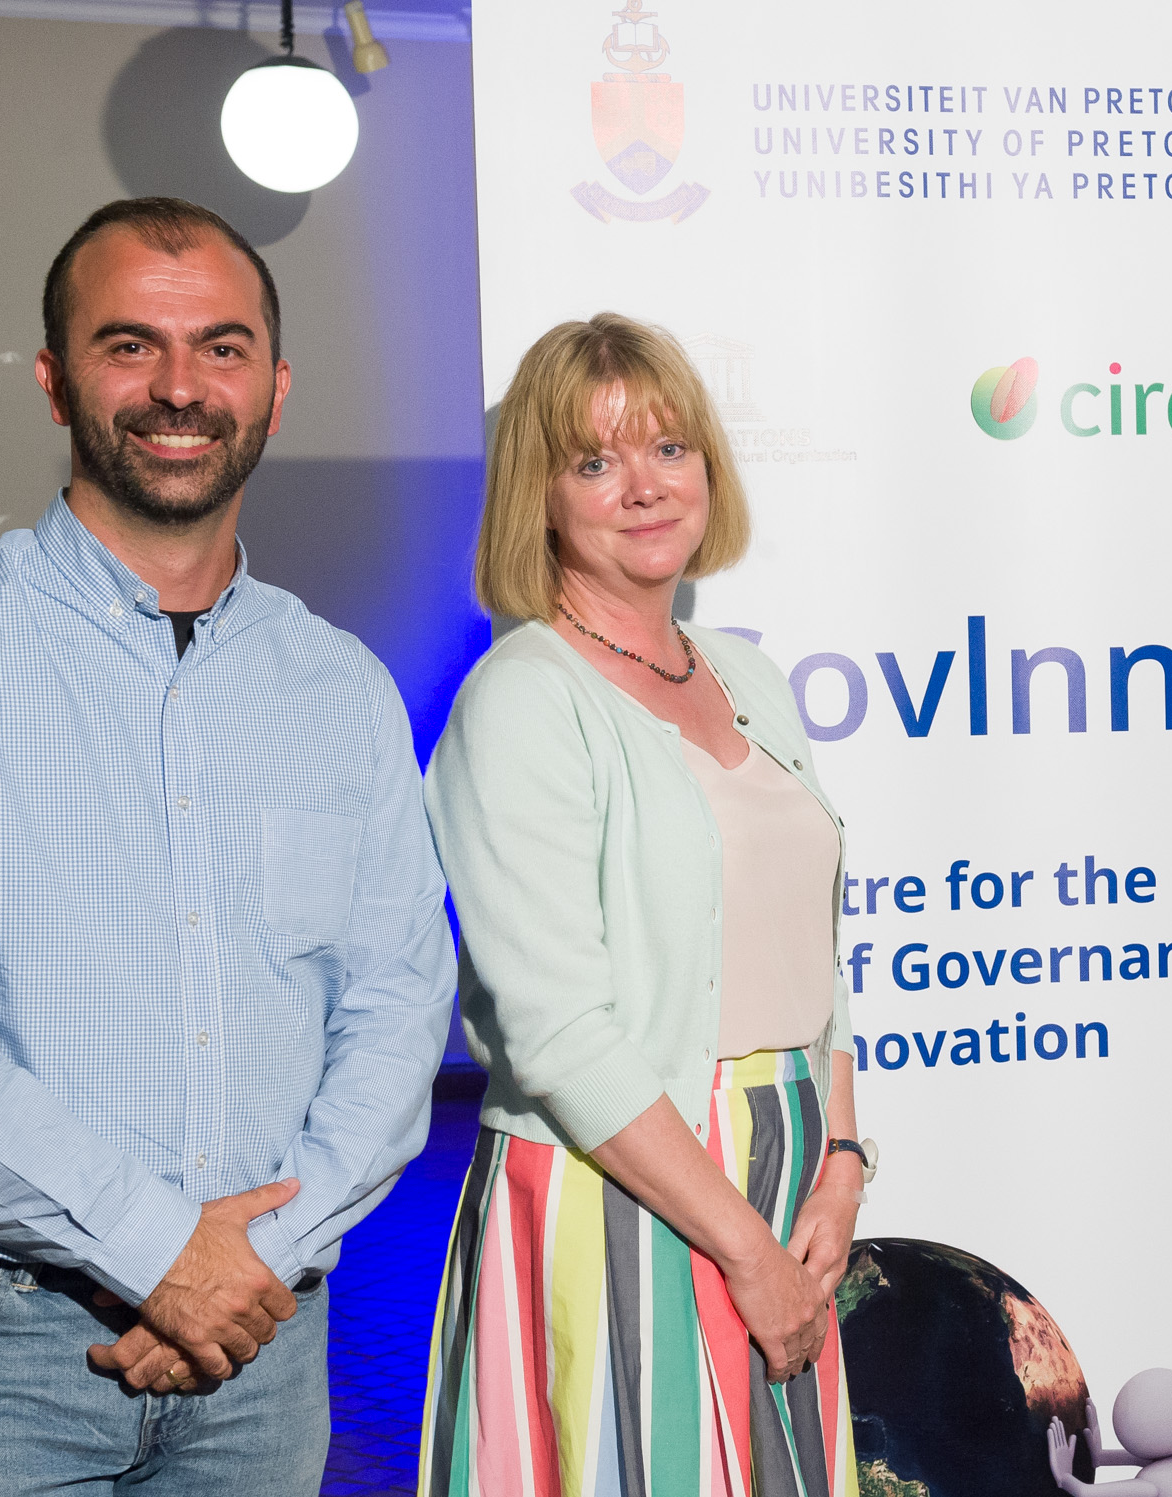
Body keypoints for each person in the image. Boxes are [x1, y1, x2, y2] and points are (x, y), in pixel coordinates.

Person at [0, 197, 455, 1495]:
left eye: (222, 347)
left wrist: (248, 1262)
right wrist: (156, 1247)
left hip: (266, 1340)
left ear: (274, 387)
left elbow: (397, 1002)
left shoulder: (341, 684)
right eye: (131, 344)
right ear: (54, 379)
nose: (180, 386)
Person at [419, 313, 865, 1497]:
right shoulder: (523, 700)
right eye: (594, 460)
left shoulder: (748, 675)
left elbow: (814, 956)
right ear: (541, 497)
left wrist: (842, 1157)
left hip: (786, 1172)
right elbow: (559, 1034)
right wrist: (746, 1247)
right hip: (625, 1185)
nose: (645, 486)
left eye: (669, 448)